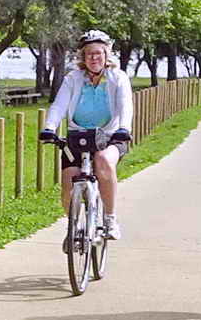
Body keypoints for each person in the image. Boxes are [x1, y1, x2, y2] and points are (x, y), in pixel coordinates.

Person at [39, 30, 134, 240]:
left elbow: (125, 105)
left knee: (103, 160)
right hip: (78, 137)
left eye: (98, 53)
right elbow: (59, 105)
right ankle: (73, 229)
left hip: (111, 136)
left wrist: (124, 129)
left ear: (106, 55)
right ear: (82, 56)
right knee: (67, 182)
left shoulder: (118, 77)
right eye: (89, 53)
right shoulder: (73, 78)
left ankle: (109, 219)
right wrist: (50, 127)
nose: (94, 58)